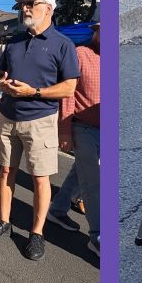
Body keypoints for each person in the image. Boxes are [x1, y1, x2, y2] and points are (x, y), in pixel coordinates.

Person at [0, 0, 80, 260]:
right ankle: (4, 222)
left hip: (40, 120)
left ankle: (36, 234)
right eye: (23, 5)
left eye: (31, 4)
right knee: (6, 171)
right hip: (8, 118)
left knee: (39, 179)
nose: (25, 9)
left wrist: (34, 92)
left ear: (49, 9)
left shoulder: (63, 44)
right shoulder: (14, 42)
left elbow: (69, 88)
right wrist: (2, 85)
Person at [51, 33, 103, 236]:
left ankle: (57, 209)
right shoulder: (80, 54)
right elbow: (68, 93)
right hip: (84, 128)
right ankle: (98, 235)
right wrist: (64, 131)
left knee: (79, 172)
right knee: (93, 183)